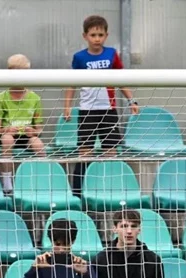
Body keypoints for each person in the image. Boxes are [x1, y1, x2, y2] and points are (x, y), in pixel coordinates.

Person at [62, 15, 139, 196]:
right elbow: (71, 83)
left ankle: (109, 191)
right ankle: (78, 193)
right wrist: (67, 106)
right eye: (93, 35)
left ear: (106, 35)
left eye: (100, 35)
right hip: (87, 111)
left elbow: (121, 80)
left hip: (108, 110)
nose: (97, 39)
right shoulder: (79, 58)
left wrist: (131, 100)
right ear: (85, 36)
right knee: (85, 153)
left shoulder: (112, 54)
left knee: (110, 152)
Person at [0, 54, 45, 194]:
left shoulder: (35, 98)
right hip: (9, 136)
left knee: (38, 143)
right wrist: (7, 129)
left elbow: (39, 129)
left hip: (27, 137)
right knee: (7, 140)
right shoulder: (1, 98)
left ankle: (43, 179)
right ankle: (7, 182)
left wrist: (33, 131)